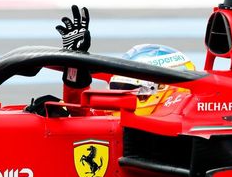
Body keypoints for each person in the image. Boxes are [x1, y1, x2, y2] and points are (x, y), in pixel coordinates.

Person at [55, 7, 194, 114]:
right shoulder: (109, 116)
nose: (119, 97)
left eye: (131, 90)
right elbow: (79, 112)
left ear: (163, 90)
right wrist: (74, 64)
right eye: (118, 88)